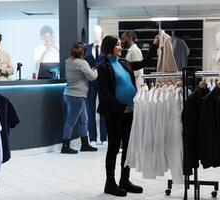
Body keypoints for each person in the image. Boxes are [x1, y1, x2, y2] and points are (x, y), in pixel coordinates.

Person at [97, 35, 159, 197]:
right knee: (114, 147)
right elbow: (104, 93)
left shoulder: (125, 64)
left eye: (120, 44)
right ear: (109, 46)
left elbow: (145, 62)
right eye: (117, 45)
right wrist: (119, 107)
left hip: (130, 112)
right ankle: (110, 183)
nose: (120, 47)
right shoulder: (103, 67)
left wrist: (154, 45)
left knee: (128, 148)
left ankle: (124, 180)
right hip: (115, 113)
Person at [61, 42, 98, 154]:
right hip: (77, 96)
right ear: (83, 51)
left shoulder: (68, 61)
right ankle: (65, 146)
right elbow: (92, 77)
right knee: (71, 121)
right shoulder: (82, 63)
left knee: (84, 120)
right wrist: (95, 69)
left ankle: (85, 144)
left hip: (69, 94)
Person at [85, 25, 108, 145]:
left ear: (101, 33)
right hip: (90, 82)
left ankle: (104, 137)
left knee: (103, 110)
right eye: (94, 32)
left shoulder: (105, 48)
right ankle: (92, 138)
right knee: (90, 110)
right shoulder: (87, 48)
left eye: (98, 32)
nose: (96, 34)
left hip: (103, 82)